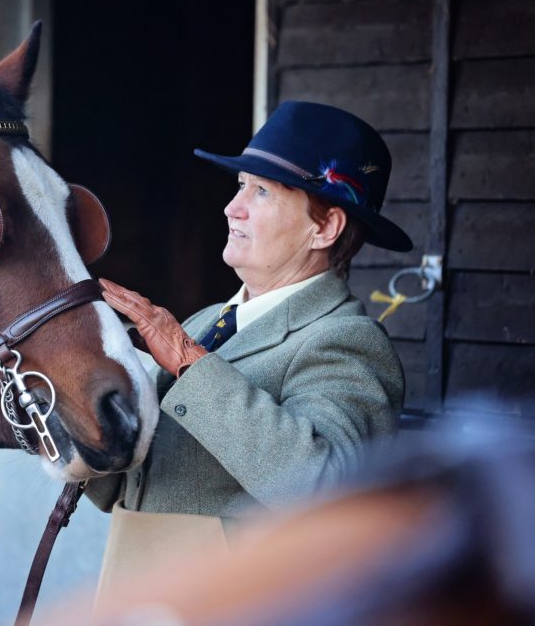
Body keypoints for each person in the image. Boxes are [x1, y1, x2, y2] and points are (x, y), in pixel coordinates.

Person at [86, 101, 412, 589]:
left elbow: (326, 493)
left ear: (324, 228)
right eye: (241, 186)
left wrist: (191, 364)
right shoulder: (203, 323)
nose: (231, 208)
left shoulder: (346, 340)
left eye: (261, 192)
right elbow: (121, 487)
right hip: (141, 591)